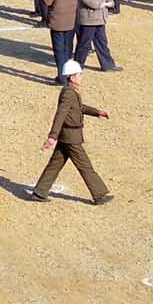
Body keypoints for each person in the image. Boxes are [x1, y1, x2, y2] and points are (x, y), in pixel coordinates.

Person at [28, 59, 113, 205]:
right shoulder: (69, 93)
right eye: (79, 75)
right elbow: (60, 114)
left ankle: (40, 192)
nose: (81, 77)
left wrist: (96, 112)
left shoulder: (70, 91)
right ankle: (99, 194)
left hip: (67, 136)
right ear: (72, 77)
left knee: (55, 164)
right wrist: (52, 136)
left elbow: (79, 107)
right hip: (71, 137)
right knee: (85, 165)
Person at [41, 0, 78, 82]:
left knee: (59, 49)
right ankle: (69, 74)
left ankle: (62, 76)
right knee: (68, 47)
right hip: (71, 18)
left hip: (57, 19)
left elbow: (47, 1)